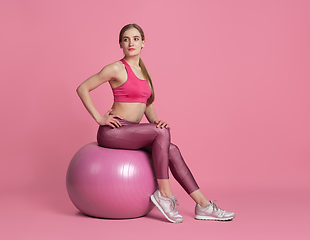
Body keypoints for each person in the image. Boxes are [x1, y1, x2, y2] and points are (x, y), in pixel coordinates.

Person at [76, 23, 235, 223]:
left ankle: (203, 205)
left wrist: (155, 121)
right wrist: (100, 118)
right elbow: (82, 88)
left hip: (132, 130)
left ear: (143, 43)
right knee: (161, 134)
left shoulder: (143, 71)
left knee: (172, 149)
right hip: (113, 131)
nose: (131, 43)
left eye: (135, 39)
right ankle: (165, 195)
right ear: (121, 45)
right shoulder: (116, 68)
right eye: (126, 39)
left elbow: (146, 103)